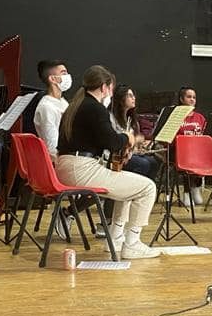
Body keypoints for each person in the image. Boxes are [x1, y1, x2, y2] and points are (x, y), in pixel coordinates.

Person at [56, 65, 160, 259]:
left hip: (67, 166)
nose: (111, 93)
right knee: (148, 188)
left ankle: (116, 238)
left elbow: (97, 142)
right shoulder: (95, 108)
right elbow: (112, 142)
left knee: (127, 187)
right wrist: (129, 138)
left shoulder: (75, 106)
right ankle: (132, 243)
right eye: (110, 88)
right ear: (104, 87)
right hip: (82, 169)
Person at [112, 85, 160, 180]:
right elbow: (116, 140)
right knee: (144, 164)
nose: (134, 98)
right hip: (118, 156)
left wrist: (139, 145)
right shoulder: (112, 118)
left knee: (154, 163)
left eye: (133, 95)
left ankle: (147, 186)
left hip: (130, 154)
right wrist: (134, 139)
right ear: (121, 99)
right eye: (130, 95)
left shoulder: (130, 119)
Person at [174, 86, 207, 206]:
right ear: (181, 99)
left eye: (194, 97)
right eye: (189, 97)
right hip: (179, 152)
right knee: (189, 158)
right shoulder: (175, 116)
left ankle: (196, 188)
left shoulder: (200, 117)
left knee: (203, 156)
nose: (192, 99)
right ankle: (187, 192)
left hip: (197, 151)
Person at [32, 60, 72, 160]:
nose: (68, 76)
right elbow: (52, 147)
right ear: (52, 79)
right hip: (60, 160)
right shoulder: (46, 107)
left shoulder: (63, 102)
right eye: (63, 73)